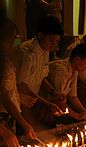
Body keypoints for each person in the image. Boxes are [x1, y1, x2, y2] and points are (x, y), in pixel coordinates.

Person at [13, 16, 64, 126]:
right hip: (17, 100)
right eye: (51, 40)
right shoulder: (27, 53)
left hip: (31, 101)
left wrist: (53, 92)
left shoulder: (45, 50)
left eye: (57, 41)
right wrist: (47, 103)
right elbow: (22, 86)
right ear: (40, 35)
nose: (54, 44)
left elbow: (42, 77)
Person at [0, 17, 36, 146]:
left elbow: (7, 90)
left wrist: (18, 98)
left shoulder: (5, 59)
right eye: (10, 38)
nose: (12, 43)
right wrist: (23, 123)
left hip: (9, 115)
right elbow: (3, 97)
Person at [47, 43, 86, 124]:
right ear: (77, 59)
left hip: (56, 107)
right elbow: (57, 100)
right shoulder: (61, 70)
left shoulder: (74, 71)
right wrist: (77, 116)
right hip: (45, 106)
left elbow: (73, 97)